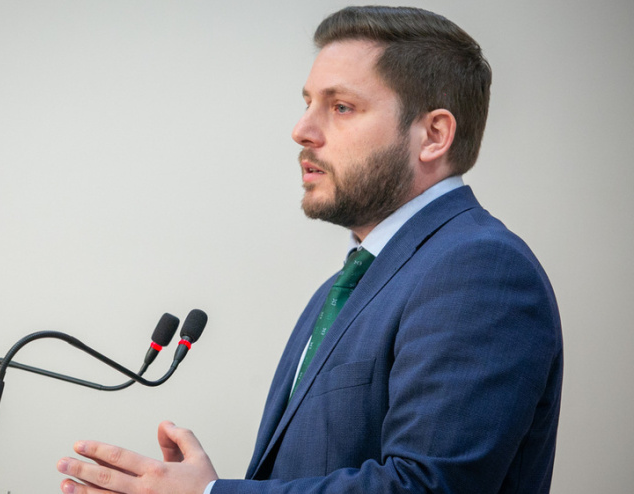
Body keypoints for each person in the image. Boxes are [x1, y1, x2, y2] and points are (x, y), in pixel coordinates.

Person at [56, 6, 563, 493]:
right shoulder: (346, 286)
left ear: (433, 134)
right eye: (308, 103)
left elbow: (426, 487)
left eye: (341, 107)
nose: (302, 130)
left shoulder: (480, 269)